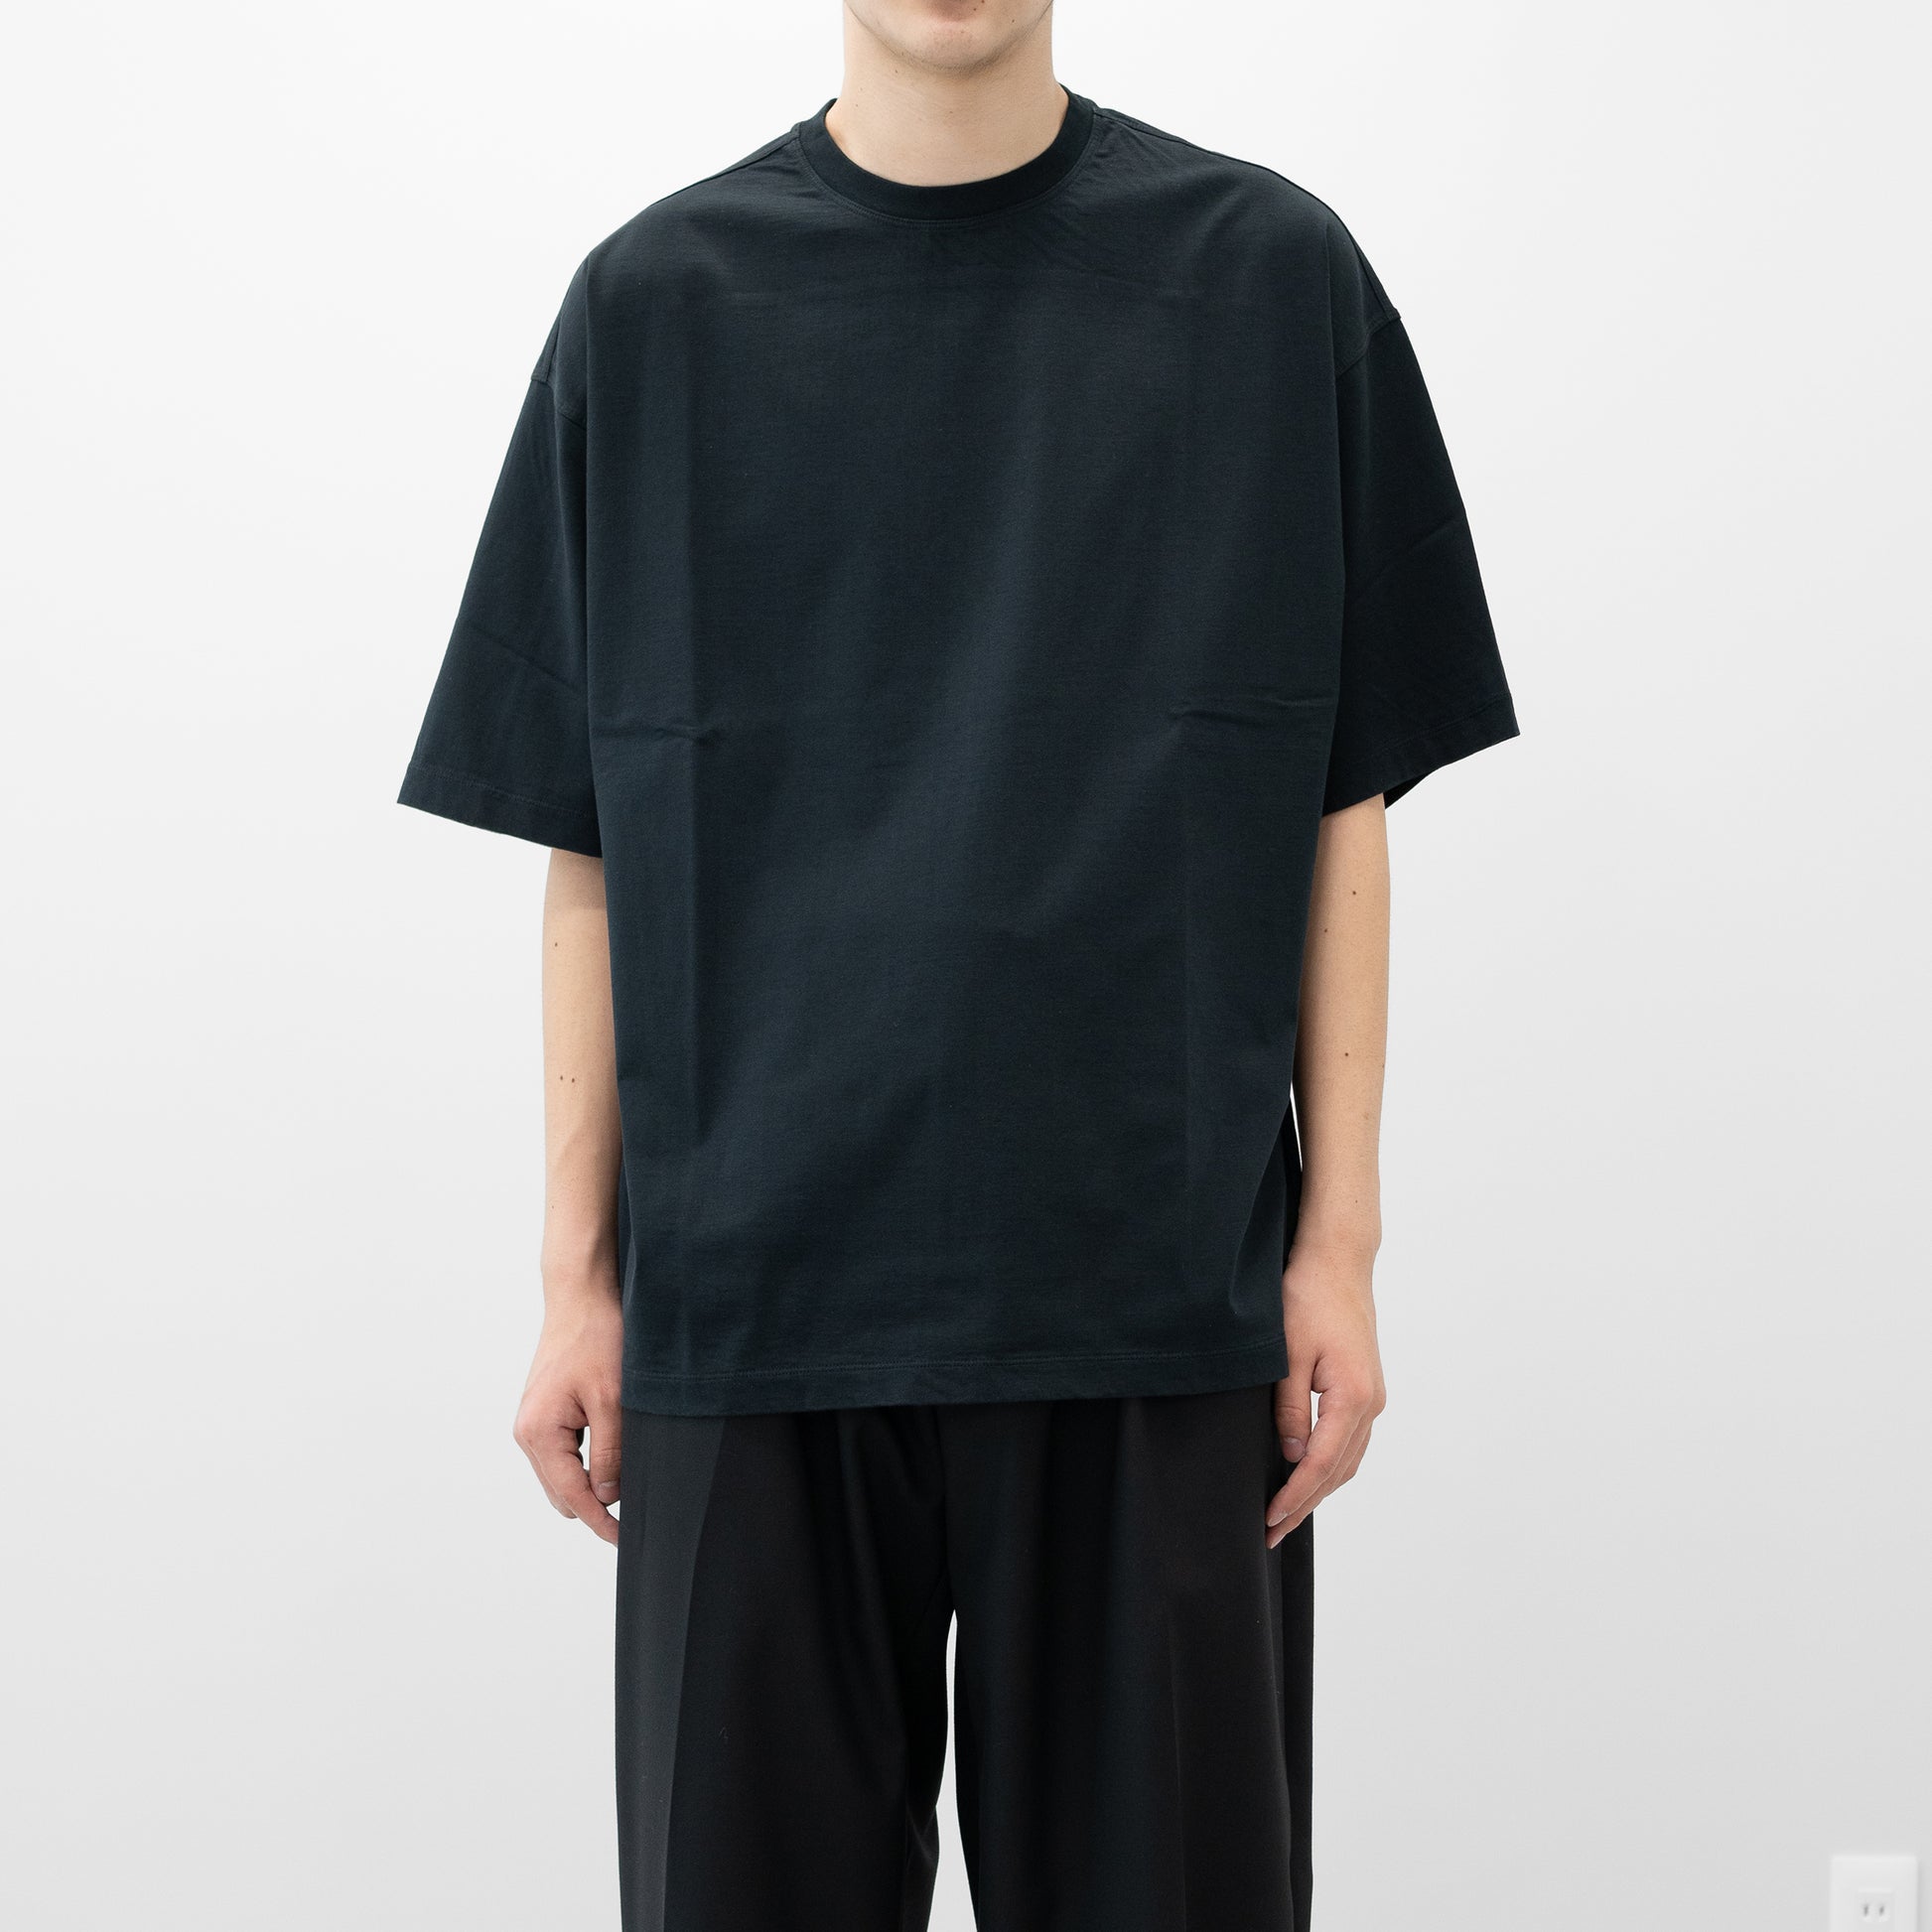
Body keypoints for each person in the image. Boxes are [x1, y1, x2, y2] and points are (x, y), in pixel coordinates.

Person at [399, 4, 1517, 1927]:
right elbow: (589, 835)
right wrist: (578, 1277)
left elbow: (1341, 800)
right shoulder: (656, 308)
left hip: (1153, 1294)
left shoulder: (1263, 281)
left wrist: (1335, 1245)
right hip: (749, 1304)